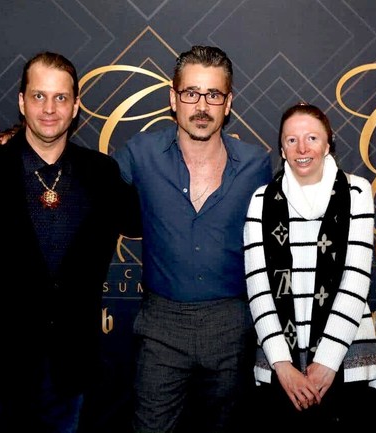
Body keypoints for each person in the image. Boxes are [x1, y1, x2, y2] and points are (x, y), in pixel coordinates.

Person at [0, 51, 138, 433]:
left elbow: (150, 216)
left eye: (60, 97)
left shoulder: (102, 173)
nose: (49, 108)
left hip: (66, 373)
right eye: (39, 96)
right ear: (21, 101)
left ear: (76, 106)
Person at [113, 45, 273, 433]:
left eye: (213, 95)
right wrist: (17, 145)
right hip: (161, 325)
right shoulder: (139, 153)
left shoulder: (256, 165)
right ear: (173, 97)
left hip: (231, 325)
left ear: (228, 102)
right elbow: (82, 185)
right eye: (191, 93)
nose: (201, 106)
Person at [243, 102, 376, 428]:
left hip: (345, 359)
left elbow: (356, 281)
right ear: (281, 147)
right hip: (282, 363)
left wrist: (327, 362)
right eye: (292, 140)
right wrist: (283, 364)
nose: (302, 148)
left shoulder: (357, 191)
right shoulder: (261, 201)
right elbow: (258, 288)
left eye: (312, 138)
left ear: (328, 144)